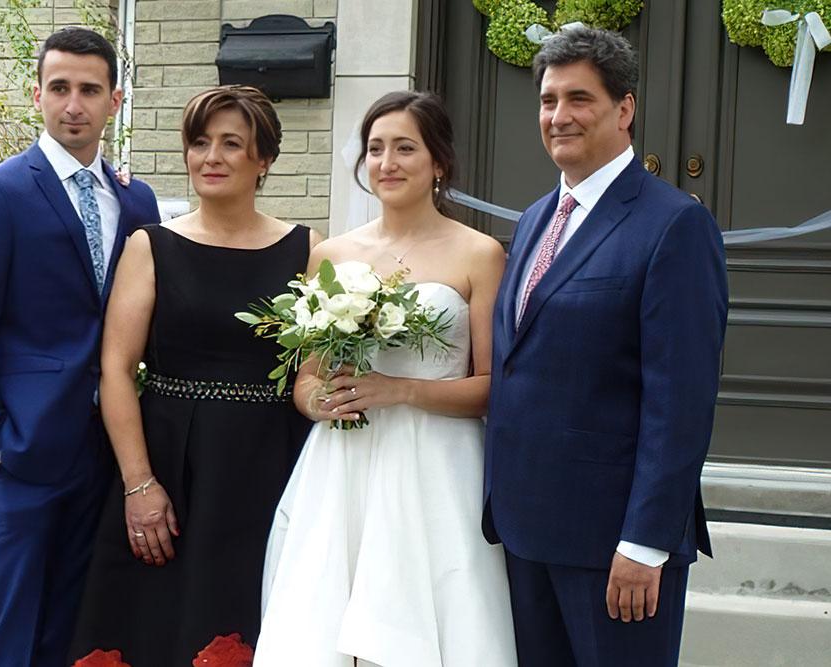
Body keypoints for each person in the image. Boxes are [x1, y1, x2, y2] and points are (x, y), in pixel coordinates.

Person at [483, 27, 728, 666]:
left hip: (614, 547)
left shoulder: (674, 224)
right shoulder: (536, 217)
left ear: (624, 109)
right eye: (547, 100)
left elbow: (681, 402)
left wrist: (645, 542)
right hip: (525, 529)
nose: (558, 116)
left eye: (579, 99)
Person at [254, 91, 518, 667]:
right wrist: (320, 402)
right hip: (346, 461)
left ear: (438, 162)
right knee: (326, 614)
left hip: (438, 464)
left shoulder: (479, 254)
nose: (387, 163)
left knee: (436, 608)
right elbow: (306, 379)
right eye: (375, 149)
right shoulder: (333, 253)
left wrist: (401, 391)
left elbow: (493, 387)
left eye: (405, 148)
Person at [70, 85, 319, 665]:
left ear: (264, 161)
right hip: (169, 466)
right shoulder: (150, 246)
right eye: (200, 142)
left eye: (232, 144)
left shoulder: (308, 251)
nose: (212, 156)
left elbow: (312, 373)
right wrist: (139, 484)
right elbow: (115, 368)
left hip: (269, 466)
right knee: (156, 624)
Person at [0, 27, 160, 667]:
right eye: (59, 88)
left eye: (90, 90)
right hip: (23, 453)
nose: (74, 104)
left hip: (105, 451)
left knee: (76, 628)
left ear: (114, 100)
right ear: (37, 95)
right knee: (11, 634)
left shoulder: (135, 198)